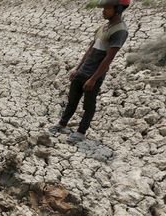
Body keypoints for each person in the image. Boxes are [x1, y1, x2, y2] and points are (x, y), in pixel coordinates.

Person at [48, 0, 130, 143]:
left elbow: (109, 58)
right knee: (72, 100)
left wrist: (93, 78)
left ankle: (81, 132)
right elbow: (91, 49)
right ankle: (62, 124)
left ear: (118, 9)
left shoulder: (120, 30)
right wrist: (77, 67)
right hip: (83, 70)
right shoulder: (104, 26)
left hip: (94, 74)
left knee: (89, 105)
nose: (103, 11)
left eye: (107, 8)